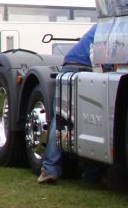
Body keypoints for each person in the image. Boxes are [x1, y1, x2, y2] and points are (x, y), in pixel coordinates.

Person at [38, 24, 103, 184]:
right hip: (83, 68)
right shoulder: (113, 28)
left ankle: (50, 170)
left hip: (73, 66)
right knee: (92, 123)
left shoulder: (104, 25)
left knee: (63, 119)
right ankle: (90, 175)